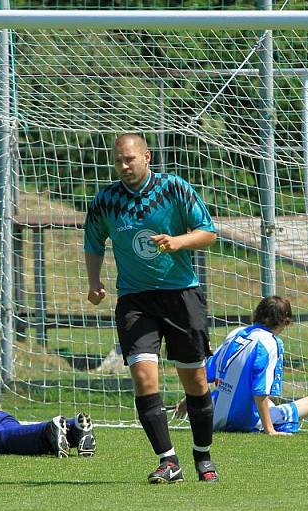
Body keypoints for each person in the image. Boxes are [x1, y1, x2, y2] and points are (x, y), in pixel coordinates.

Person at [84, 132, 219, 483]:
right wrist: (94, 282)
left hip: (181, 296)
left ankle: (203, 456)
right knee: (144, 379)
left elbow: (208, 232)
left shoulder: (174, 188)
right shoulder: (106, 200)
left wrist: (177, 242)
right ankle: (168, 461)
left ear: (147, 156)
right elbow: (94, 241)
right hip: (135, 300)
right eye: (119, 160)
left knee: (195, 379)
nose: (124, 166)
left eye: (130, 159)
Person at [174, 296, 308, 435]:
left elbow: (206, 373)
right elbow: (260, 390)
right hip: (242, 420)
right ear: (286, 322)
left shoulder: (237, 333)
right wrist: (269, 430)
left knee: (266, 402)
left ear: (257, 313)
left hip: (212, 417)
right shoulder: (270, 343)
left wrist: (187, 401)